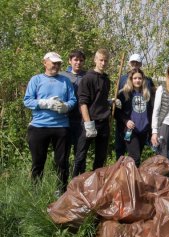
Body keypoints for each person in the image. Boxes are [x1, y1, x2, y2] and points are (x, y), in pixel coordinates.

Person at [23, 52, 77, 192]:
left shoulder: (65, 81)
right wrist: (44, 103)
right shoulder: (36, 80)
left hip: (61, 126)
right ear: (45, 62)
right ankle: (35, 192)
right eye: (53, 63)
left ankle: (61, 191)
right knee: (38, 162)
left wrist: (66, 107)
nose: (56, 66)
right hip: (39, 126)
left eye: (58, 63)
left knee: (62, 162)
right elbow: (27, 100)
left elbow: (73, 100)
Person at [72, 49, 112, 177]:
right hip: (90, 122)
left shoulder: (106, 80)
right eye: (101, 60)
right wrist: (88, 123)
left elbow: (100, 99)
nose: (103, 63)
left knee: (100, 157)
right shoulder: (87, 78)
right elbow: (83, 103)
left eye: (106, 61)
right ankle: (74, 184)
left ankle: (96, 185)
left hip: (104, 122)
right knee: (81, 156)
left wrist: (110, 102)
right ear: (95, 60)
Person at [115, 53, 155, 160]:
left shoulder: (147, 93)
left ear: (143, 79)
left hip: (143, 129)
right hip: (130, 129)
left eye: (140, 78)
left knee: (137, 157)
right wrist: (126, 120)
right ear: (131, 80)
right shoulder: (124, 92)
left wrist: (151, 129)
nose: (137, 80)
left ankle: (131, 175)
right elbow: (116, 111)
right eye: (135, 78)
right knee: (134, 157)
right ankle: (127, 176)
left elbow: (152, 110)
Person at [59, 50, 86, 168]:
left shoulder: (87, 76)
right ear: (70, 61)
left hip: (82, 120)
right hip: (65, 119)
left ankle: (79, 181)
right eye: (75, 60)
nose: (78, 62)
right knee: (63, 153)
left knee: (80, 153)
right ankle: (62, 183)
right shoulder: (62, 76)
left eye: (81, 60)